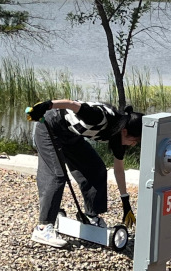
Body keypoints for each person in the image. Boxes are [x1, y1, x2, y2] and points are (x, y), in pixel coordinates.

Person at [26, 99, 141, 248]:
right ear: (125, 131)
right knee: (56, 176)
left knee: (96, 169)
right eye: (135, 140)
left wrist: (125, 201)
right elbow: (72, 104)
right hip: (50, 126)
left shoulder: (117, 136)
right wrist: (47, 105)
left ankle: (90, 216)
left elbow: (119, 170)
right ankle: (43, 228)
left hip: (71, 135)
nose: (134, 144)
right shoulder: (99, 117)